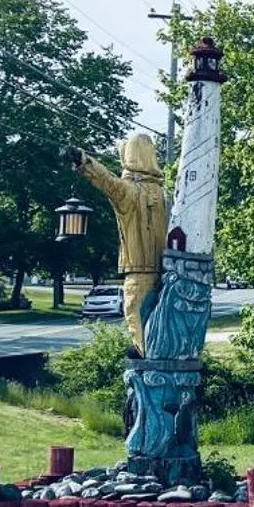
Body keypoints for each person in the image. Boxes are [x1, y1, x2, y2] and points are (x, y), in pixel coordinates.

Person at [67, 133, 169, 349]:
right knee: (162, 326)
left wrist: (84, 161)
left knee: (138, 321)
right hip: (166, 271)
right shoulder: (163, 193)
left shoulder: (129, 191)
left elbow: (107, 181)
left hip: (138, 272)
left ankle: (145, 359)